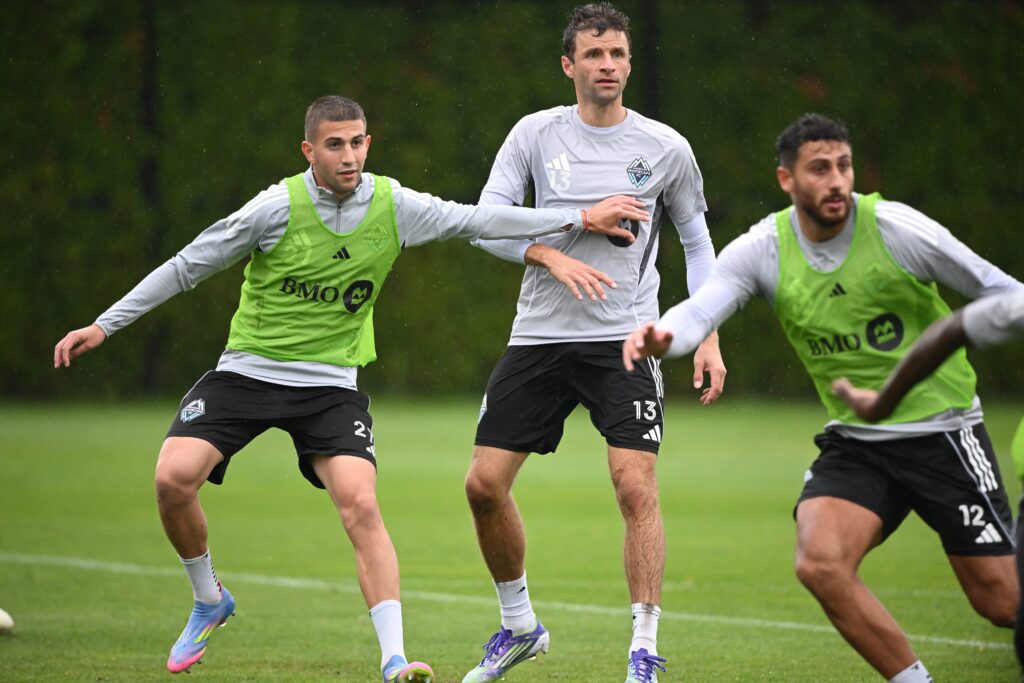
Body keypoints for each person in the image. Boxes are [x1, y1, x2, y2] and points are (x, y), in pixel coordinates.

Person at [53, 95, 647, 682]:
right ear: (308, 150)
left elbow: (478, 218)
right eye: (334, 144)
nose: (348, 155)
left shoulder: (395, 205)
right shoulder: (274, 208)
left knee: (361, 503)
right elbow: (188, 265)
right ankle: (209, 599)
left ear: (369, 143)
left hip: (330, 387)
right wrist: (106, 324)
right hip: (248, 372)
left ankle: (394, 660)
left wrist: (576, 218)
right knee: (171, 479)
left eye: (357, 142)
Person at [623, 113, 1023, 682]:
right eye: (819, 169)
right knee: (820, 562)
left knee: (1003, 604)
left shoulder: (896, 229)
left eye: (844, 167)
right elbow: (701, 310)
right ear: (787, 180)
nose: (836, 181)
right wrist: (663, 335)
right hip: (858, 441)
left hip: (944, 432)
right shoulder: (765, 248)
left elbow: (1001, 290)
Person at [461, 4, 725, 683]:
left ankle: (643, 649)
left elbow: (697, 242)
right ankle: (519, 625)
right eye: (594, 54)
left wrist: (705, 331)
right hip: (540, 335)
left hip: (627, 338)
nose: (607, 65)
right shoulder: (534, 135)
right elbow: (484, 226)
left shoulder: (666, 147)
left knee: (634, 484)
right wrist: (552, 252)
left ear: (629, 64)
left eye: (617, 54)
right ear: (568, 65)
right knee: (483, 486)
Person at [831, 291, 1024, 675]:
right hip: (876, 440)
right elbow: (955, 329)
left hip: (948, 440)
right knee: (821, 560)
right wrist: (885, 403)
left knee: (1005, 603)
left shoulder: (911, 238)